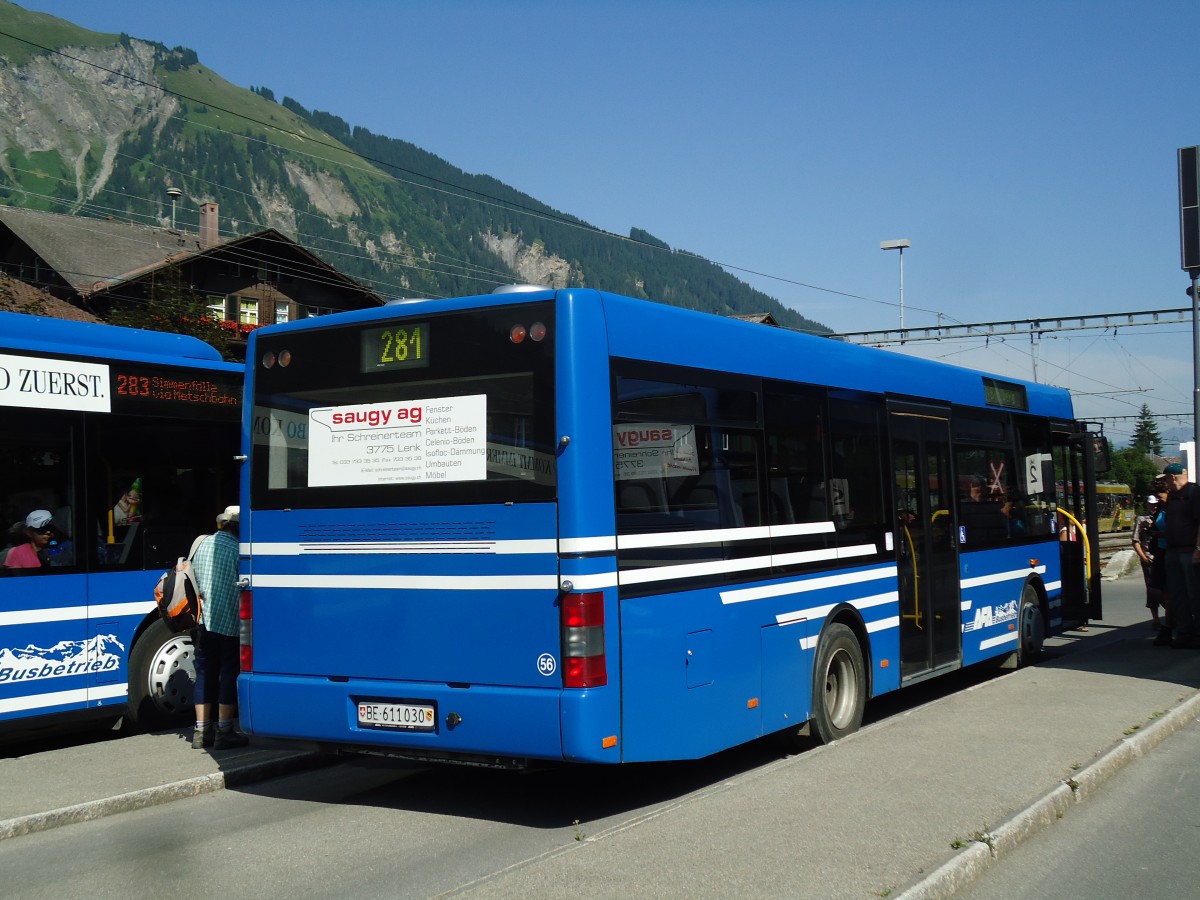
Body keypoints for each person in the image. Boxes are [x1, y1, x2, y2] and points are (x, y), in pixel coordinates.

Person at [190, 505, 249, 750]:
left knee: (204, 673)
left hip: (202, 622)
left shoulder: (201, 545)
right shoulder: (239, 552)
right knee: (228, 674)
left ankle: (201, 731)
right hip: (230, 624)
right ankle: (224, 731)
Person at [1159, 463, 1200, 649]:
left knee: (1194, 594)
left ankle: (1198, 634)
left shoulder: (1194, 493)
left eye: (1165, 479)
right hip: (1172, 551)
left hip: (1189, 551)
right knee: (1178, 595)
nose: (1165, 483)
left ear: (1173, 477)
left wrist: (1198, 549)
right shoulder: (1173, 496)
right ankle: (1184, 633)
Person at [1131, 493, 1162, 629]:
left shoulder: (1162, 516)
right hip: (1149, 558)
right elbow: (1135, 540)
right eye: (1151, 504)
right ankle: (1156, 619)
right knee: (1151, 589)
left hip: (1162, 555)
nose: (1154, 507)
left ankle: (1170, 616)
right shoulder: (1141, 519)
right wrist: (1143, 557)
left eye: (1155, 504)